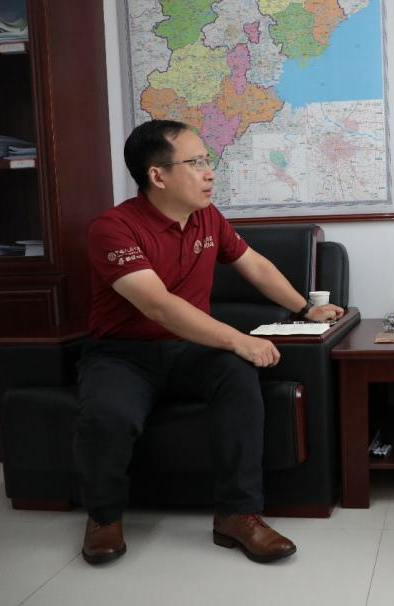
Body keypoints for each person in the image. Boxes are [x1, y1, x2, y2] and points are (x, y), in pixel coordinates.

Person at [75, 119, 344, 565]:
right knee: (108, 414)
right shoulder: (112, 228)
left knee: (238, 377)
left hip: (190, 350)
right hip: (123, 354)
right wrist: (238, 339)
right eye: (196, 162)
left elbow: (255, 266)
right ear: (157, 176)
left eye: (207, 160)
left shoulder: (208, 218)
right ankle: (103, 518)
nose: (209, 172)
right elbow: (158, 305)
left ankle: (238, 515)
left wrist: (304, 308)